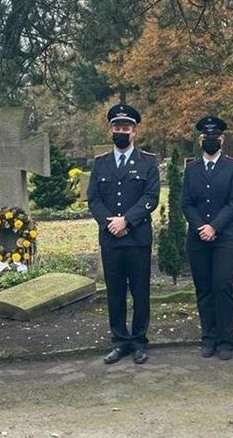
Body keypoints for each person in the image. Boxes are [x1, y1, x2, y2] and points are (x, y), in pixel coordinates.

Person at [87, 103, 160, 365]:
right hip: (111, 239)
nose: (121, 131)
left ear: (134, 132)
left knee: (140, 292)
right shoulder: (101, 164)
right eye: (117, 127)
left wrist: (126, 221)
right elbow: (93, 198)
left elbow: (151, 197)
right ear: (111, 130)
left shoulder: (148, 162)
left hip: (137, 238)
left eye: (126, 128)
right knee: (115, 292)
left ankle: (139, 341)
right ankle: (119, 341)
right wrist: (110, 223)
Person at [180, 116, 233, 360]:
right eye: (206, 136)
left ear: (222, 139)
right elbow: (186, 202)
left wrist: (214, 227)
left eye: (215, 136)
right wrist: (201, 227)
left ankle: (226, 340)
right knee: (203, 288)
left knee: (222, 286)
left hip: (225, 236)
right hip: (198, 237)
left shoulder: (232, 166)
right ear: (200, 140)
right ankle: (208, 337)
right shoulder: (192, 168)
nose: (210, 139)